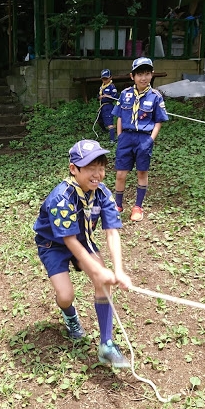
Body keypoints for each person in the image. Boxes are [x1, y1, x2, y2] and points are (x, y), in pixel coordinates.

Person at [34, 139, 133, 368]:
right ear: (73, 169)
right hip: (54, 244)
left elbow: (112, 233)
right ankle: (70, 316)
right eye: (90, 167)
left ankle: (106, 345)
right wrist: (97, 270)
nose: (97, 173)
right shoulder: (62, 198)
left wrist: (117, 270)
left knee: (104, 283)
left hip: (82, 239)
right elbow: (68, 241)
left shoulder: (103, 193)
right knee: (66, 295)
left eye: (101, 167)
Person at [112, 57, 168, 222]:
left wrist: (151, 140)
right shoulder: (125, 94)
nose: (143, 78)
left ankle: (138, 206)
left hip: (144, 138)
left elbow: (158, 121)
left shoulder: (156, 96)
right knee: (121, 173)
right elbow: (120, 116)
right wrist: (120, 135)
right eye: (139, 74)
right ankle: (118, 205)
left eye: (147, 74)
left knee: (142, 172)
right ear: (132, 76)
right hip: (126, 138)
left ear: (151, 75)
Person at [97, 69, 118, 143]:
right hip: (102, 106)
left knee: (109, 123)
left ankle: (112, 139)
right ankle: (104, 131)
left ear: (110, 78)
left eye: (106, 78)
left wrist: (107, 96)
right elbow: (98, 96)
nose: (104, 80)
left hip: (108, 106)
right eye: (103, 79)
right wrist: (99, 97)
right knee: (100, 120)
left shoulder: (112, 87)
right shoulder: (102, 87)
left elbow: (116, 97)